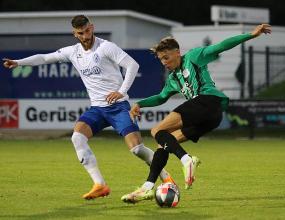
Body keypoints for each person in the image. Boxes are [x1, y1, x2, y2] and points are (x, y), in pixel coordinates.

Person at [2, 15, 174, 200]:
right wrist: (19, 63)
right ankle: (100, 184)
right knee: (77, 137)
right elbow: (44, 58)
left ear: (92, 27)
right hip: (97, 109)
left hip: (118, 107)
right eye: (80, 33)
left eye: (87, 31)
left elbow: (132, 65)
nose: (85, 36)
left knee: (136, 149)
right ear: (74, 34)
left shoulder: (106, 47)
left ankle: (166, 177)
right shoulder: (72, 52)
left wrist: (122, 91)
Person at [121, 24, 272, 203]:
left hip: (208, 101)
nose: (164, 62)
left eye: (166, 57)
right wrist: (140, 104)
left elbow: (221, 46)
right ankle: (147, 188)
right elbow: (162, 97)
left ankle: (187, 160)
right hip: (211, 117)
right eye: (161, 59)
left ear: (177, 52)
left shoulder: (194, 56)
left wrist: (251, 35)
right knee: (164, 145)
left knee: (156, 131)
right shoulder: (172, 79)